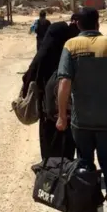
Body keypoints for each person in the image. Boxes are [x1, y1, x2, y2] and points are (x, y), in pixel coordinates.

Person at [56, 7, 107, 212]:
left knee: (84, 161)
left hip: (81, 119)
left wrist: (61, 115)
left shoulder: (71, 46)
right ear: (98, 23)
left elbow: (64, 81)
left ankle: (88, 204)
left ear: (78, 24)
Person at [21, 21, 80, 161]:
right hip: (69, 109)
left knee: (49, 142)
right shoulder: (71, 55)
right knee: (68, 141)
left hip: (47, 111)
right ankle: (66, 170)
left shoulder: (43, 55)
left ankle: (50, 173)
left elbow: (28, 77)